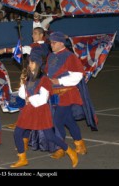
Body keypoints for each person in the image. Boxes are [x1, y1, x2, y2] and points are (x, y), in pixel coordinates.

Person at [10, 49, 78, 168]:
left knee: (50, 136)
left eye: (32, 62)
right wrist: (22, 83)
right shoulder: (28, 78)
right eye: (28, 63)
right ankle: (22, 158)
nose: (29, 65)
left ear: (37, 64)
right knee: (17, 133)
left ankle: (70, 151)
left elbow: (43, 98)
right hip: (29, 110)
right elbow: (22, 95)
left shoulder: (44, 80)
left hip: (41, 110)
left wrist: (30, 99)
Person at [45, 31, 87, 159]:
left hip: (66, 94)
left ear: (61, 43)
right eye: (50, 42)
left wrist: (60, 81)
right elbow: (48, 73)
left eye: (54, 42)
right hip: (54, 94)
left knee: (57, 121)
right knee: (68, 121)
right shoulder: (51, 56)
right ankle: (80, 145)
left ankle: (61, 148)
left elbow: (78, 75)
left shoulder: (70, 56)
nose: (51, 45)